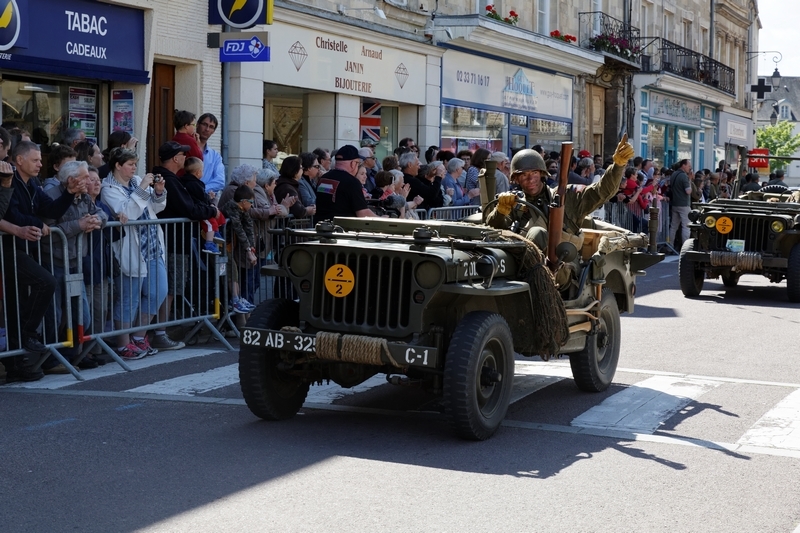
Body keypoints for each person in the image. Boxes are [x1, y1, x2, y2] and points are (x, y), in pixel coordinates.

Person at [0, 142, 87, 380]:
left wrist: (69, 192)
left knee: (18, 303)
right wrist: (38, 223)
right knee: (45, 282)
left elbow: (51, 210)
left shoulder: (34, 184)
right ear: (19, 160)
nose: (41, 163)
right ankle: (27, 336)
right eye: (36, 160)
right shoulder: (9, 180)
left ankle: (18, 365)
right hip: (8, 248)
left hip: (26, 249)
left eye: (40, 160)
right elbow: (9, 215)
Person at [486, 135, 634, 256]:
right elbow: (493, 233)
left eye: (534, 173)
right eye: (524, 175)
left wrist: (618, 166)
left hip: (565, 267)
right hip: (524, 269)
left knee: (537, 233)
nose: (530, 179)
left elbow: (601, 191)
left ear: (542, 174)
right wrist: (499, 212)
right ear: (516, 179)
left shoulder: (568, 196)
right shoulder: (514, 203)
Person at [40, 160, 107, 371]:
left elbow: (101, 212)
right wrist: (78, 225)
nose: (90, 180)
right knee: (56, 315)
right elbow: (47, 232)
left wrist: (96, 220)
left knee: (81, 316)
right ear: (71, 180)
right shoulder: (51, 196)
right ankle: (50, 360)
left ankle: (68, 356)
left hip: (76, 264)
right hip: (54, 262)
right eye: (85, 177)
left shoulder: (85, 196)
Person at [102, 147, 168, 360]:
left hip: (152, 246)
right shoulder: (108, 188)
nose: (134, 168)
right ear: (118, 166)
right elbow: (128, 213)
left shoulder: (136, 181)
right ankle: (123, 344)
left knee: (159, 291)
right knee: (129, 297)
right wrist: (142, 188)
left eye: (134, 164)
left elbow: (155, 209)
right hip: (130, 248)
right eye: (130, 164)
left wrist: (158, 192)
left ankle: (139, 337)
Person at [221, 185, 258, 314]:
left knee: (233, 270)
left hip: (228, 244)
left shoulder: (243, 210)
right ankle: (235, 300)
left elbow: (248, 227)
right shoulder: (232, 207)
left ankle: (237, 298)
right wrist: (248, 249)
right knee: (231, 270)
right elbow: (239, 229)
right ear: (243, 202)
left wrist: (252, 248)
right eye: (251, 202)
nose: (252, 206)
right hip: (218, 243)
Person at [315, 145, 375, 221]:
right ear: (353, 164)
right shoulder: (352, 182)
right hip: (341, 229)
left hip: (320, 227)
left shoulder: (323, 179)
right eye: (357, 163)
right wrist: (382, 219)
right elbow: (362, 213)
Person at [183, 156, 226, 255]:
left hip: (201, 206)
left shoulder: (186, 182)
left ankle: (216, 232)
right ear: (198, 172)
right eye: (202, 170)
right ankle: (209, 243)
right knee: (211, 223)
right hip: (200, 208)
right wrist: (210, 201)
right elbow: (201, 197)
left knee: (220, 217)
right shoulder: (195, 184)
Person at [274, 155, 317, 221]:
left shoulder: (288, 184)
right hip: (288, 227)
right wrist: (307, 211)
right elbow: (298, 210)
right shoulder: (287, 188)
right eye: (300, 168)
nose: (302, 170)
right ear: (294, 170)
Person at [196, 113, 225, 200]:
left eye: (211, 127)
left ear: (213, 131)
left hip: (206, 199)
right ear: (197, 125)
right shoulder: (186, 149)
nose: (207, 129)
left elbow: (220, 181)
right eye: (205, 124)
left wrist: (199, 190)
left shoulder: (215, 156)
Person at [668, 159, 693, 248]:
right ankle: (685, 248)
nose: (690, 168)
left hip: (675, 203)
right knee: (686, 226)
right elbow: (688, 191)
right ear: (683, 165)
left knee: (673, 227)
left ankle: (670, 246)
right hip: (683, 204)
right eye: (688, 166)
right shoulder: (683, 176)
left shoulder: (674, 174)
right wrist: (690, 180)